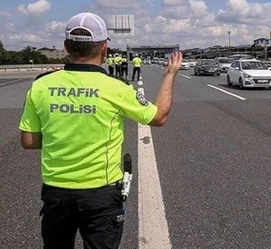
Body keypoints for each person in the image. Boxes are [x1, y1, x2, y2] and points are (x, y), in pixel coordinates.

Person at [18, 12, 182, 249]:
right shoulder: (116, 89)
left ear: (66, 47)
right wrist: (169, 75)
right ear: (105, 48)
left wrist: (63, 135)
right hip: (101, 194)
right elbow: (159, 117)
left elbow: (28, 140)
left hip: (56, 193)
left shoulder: (41, 85)